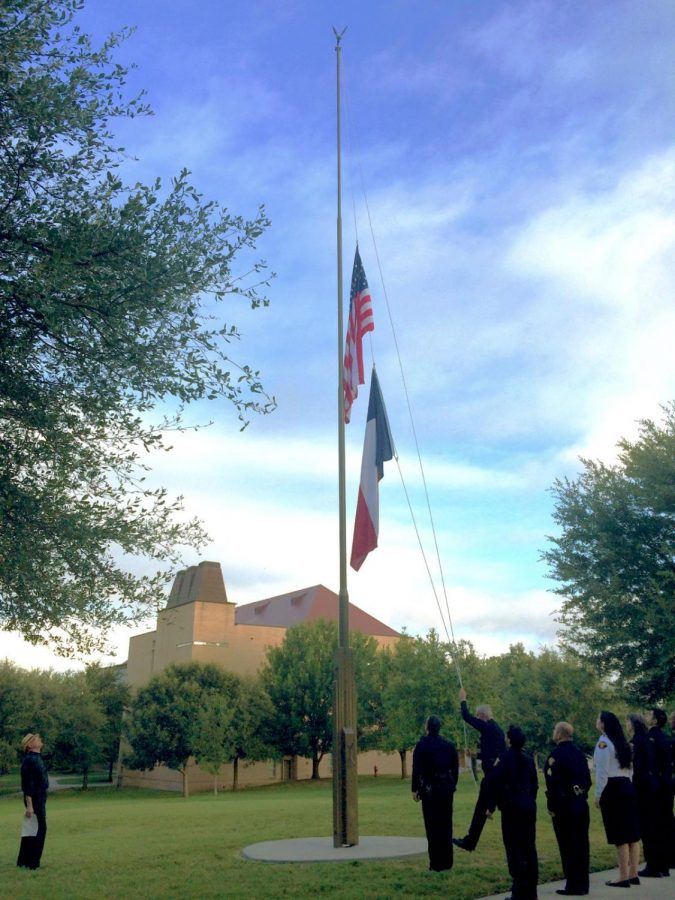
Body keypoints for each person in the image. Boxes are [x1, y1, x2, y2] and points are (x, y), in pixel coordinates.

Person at [483, 725, 539, 900]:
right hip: (528, 806)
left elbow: (496, 783)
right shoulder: (528, 759)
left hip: (512, 808)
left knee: (514, 850)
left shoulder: (505, 758)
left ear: (509, 739)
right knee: (529, 848)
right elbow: (535, 784)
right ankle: (531, 892)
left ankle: (518, 892)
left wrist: (491, 806)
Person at [453, 687, 506, 852]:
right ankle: (470, 841)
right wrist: (476, 755)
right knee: (482, 808)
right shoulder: (496, 729)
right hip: (495, 775)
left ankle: (470, 841)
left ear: (483, 716)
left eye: (478, 716)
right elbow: (492, 753)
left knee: (481, 809)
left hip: (491, 777)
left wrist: (463, 700)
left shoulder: (488, 727)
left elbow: (466, 717)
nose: (477, 719)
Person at [594, 711, 640, 888]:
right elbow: (630, 769)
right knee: (632, 834)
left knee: (620, 834)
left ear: (604, 724)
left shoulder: (604, 743)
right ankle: (633, 872)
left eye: (599, 719)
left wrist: (598, 795)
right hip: (627, 785)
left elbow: (602, 772)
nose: (596, 721)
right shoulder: (623, 743)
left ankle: (622, 876)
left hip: (613, 787)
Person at [544, 721, 591, 896]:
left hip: (564, 808)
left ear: (559, 734)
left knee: (567, 846)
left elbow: (553, 784)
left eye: (555, 729)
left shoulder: (555, 756)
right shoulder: (579, 755)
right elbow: (587, 780)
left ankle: (572, 884)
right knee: (582, 844)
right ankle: (583, 883)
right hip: (580, 805)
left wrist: (553, 806)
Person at [411, 715, 459, 872]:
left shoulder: (421, 745)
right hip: (446, 789)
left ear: (427, 727)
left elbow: (416, 769)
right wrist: (452, 785)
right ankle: (447, 862)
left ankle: (435, 863)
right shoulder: (449, 745)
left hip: (430, 790)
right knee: (446, 825)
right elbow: (455, 769)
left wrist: (415, 789)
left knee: (432, 827)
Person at [637, 708, 672, 877]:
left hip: (652, 788)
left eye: (649, 715)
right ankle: (664, 865)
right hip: (666, 786)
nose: (645, 716)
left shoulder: (649, 739)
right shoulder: (667, 738)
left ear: (655, 720)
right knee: (664, 825)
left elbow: (650, 764)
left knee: (650, 826)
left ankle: (653, 865)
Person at [17, 732, 49, 870]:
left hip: (39, 799)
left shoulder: (36, 758)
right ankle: (33, 863)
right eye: (37, 739)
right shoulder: (30, 760)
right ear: (30, 745)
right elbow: (28, 785)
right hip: (34, 800)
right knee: (39, 829)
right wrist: (30, 806)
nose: (40, 739)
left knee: (31, 830)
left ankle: (24, 861)